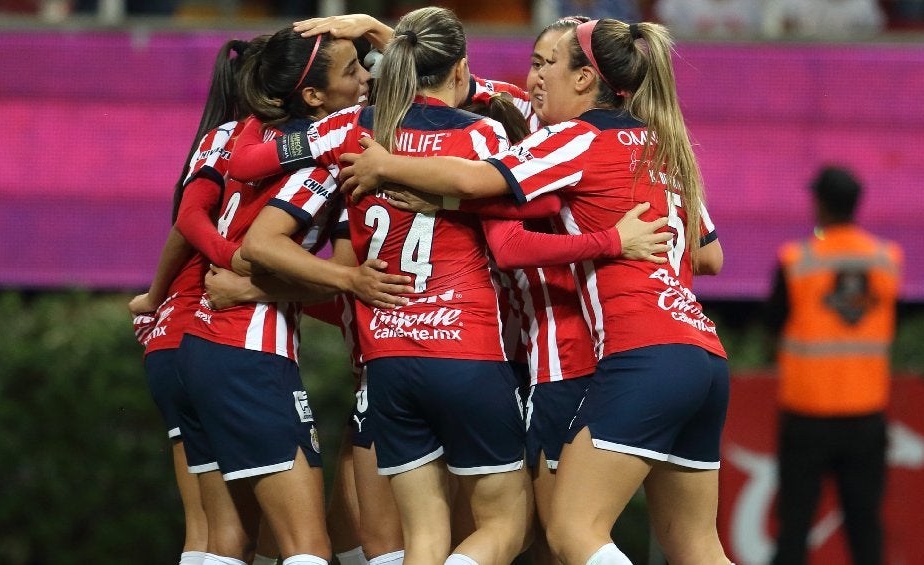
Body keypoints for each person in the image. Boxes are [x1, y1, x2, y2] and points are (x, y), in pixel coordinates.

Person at [338, 18, 732, 565]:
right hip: (700, 352)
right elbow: (710, 254)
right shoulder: (661, 143)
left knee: (567, 533)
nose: (535, 78)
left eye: (548, 64)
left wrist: (389, 165)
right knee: (694, 546)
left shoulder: (569, 142)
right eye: (533, 63)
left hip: (611, 357)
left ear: (585, 78)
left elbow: (487, 195)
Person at [174, 27, 412, 565]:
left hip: (196, 342)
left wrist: (173, 291)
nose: (367, 78)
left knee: (226, 542)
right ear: (312, 96)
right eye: (352, 71)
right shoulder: (330, 149)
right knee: (308, 549)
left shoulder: (247, 135)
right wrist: (349, 281)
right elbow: (269, 245)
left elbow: (192, 215)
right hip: (250, 351)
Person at [128, 35, 276, 565]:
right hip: (211, 336)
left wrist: (153, 297)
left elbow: (185, 225)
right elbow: (187, 223)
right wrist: (231, 261)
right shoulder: (250, 141)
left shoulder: (231, 140)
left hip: (172, 342)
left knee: (206, 534)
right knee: (247, 536)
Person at [766, 166, 903, 565]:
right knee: (865, 528)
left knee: (794, 527)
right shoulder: (886, 259)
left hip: (807, 416)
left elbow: (773, 325)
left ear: (820, 203)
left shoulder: (797, 260)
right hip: (866, 417)